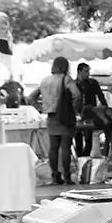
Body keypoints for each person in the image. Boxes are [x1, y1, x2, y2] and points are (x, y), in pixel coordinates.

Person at [38, 56, 80, 185]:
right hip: (64, 117)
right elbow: (77, 94)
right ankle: (67, 176)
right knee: (65, 147)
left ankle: (55, 176)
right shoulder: (66, 79)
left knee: (53, 148)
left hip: (51, 117)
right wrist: (74, 108)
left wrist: (41, 107)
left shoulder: (45, 80)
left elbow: (31, 97)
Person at [73, 63, 107, 158]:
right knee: (77, 136)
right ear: (79, 71)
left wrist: (105, 108)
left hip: (90, 113)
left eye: (88, 71)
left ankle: (86, 156)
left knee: (89, 136)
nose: (88, 73)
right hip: (77, 113)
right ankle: (79, 156)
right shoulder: (73, 84)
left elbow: (100, 95)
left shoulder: (92, 83)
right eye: (86, 71)